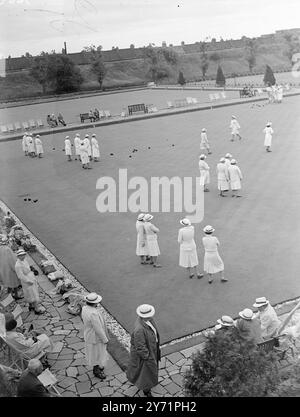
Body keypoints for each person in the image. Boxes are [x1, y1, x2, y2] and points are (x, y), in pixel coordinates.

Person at [126, 304, 161, 397]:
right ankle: (146, 390)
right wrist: (148, 357)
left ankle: (146, 386)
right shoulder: (139, 329)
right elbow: (141, 347)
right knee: (146, 373)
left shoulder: (148, 320)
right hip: (145, 356)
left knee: (146, 372)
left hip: (151, 351)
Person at [81, 292, 109, 380]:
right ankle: (96, 370)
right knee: (96, 354)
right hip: (94, 337)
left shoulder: (85, 308)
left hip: (89, 334)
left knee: (95, 353)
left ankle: (97, 367)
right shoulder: (93, 313)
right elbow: (98, 329)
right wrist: (105, 339)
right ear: (95, 303)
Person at [14, 249, 45, 314]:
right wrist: (28, 281)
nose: (23, 256)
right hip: (26, 281)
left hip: (30, 277)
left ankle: (31, 306)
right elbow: (20, 276)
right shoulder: (18, 265)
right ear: (18, 256)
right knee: (32, 294)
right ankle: (37, 309)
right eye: (21, 255)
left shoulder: (24, 260)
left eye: (23, 255)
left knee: (32, 293)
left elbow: (28, 268)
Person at [0, 235, 22, 300]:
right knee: (14, 282)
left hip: (3, 268)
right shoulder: (7, 249)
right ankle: (16, 295)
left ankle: (9, 292)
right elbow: (12, 260)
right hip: (10, 269)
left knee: (8, 281)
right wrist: (17, 268)